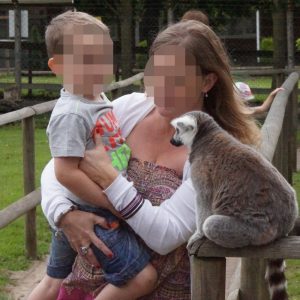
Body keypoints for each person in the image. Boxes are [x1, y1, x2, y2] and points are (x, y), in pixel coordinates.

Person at [30, 20, 261, 300]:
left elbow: (165, 236)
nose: (161, 88)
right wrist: (65, 214)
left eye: (176, 78)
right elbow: (57, 167)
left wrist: (110, 180)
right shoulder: (130, 108)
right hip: (86, 284)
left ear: (207, 81)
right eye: (156, 73)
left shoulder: (216, 155)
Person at [29, 10, 157, 300]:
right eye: (87, 60)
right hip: (94, 213)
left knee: (52, 282)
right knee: (144, 277)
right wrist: (113, 203)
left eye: (103, 57)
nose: (98, 67)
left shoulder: (95, 99)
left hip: (85, 208)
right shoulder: (71, 114)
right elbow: (64, 172)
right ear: (57, 66)